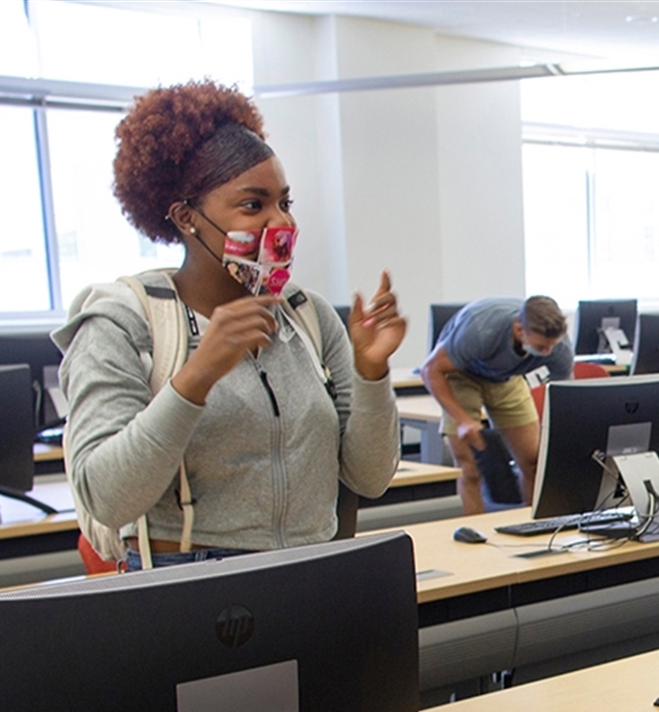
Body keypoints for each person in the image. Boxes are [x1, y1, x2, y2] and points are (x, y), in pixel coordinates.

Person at [54, 80, 406, 569]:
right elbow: (108, 498)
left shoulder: (308, 316)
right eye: (252, 205)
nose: (278, 222)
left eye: (285, 202)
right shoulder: (122, 322)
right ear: (185, 217)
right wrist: (198, 375)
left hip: (312, 573)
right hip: (192, 588)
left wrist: (370, 372)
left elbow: (370, 479)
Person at [418, 296, 573, 514]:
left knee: (534, 461)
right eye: (541, 346)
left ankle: (532, 528)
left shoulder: (559, 346)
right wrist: (462, 420)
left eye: (551, 346)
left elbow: (563, 398)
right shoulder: (480, 330)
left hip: (507, 378)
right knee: (469, 468)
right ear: (520, 330)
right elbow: (430, 370)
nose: (547, 353)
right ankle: (473, 540)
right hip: (461, 374)